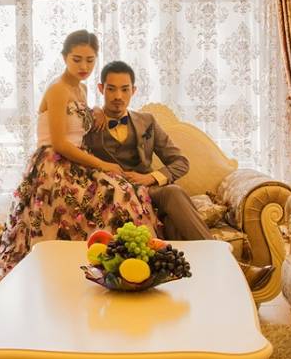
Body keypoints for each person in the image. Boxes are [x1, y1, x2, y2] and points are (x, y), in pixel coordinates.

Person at [0, 32, 159, 327]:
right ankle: (87, 275)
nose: (84, 66)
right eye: (77, 59)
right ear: (64, 57)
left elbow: (79, 125)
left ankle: (124, 272)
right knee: (116, 194)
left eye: (90, 60)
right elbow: (61, 143)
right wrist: (104, 165)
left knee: (126, 192)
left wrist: (96, 111)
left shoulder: (82, 89)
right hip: (53, 166)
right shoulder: (58, 89)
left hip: (75, 162)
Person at [83, 61, 274, 290]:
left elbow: (180, 162)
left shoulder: (147, 122)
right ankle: (229, 272)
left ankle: (221, 273)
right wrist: (93, 110)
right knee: (174, 223)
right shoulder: (89, 123)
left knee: (172, 195)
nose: (118, 96)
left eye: (125, 89)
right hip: (112, 194)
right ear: (101, 88)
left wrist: (151, 178)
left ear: (134, 90)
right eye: (111, 89)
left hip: (149, 191)